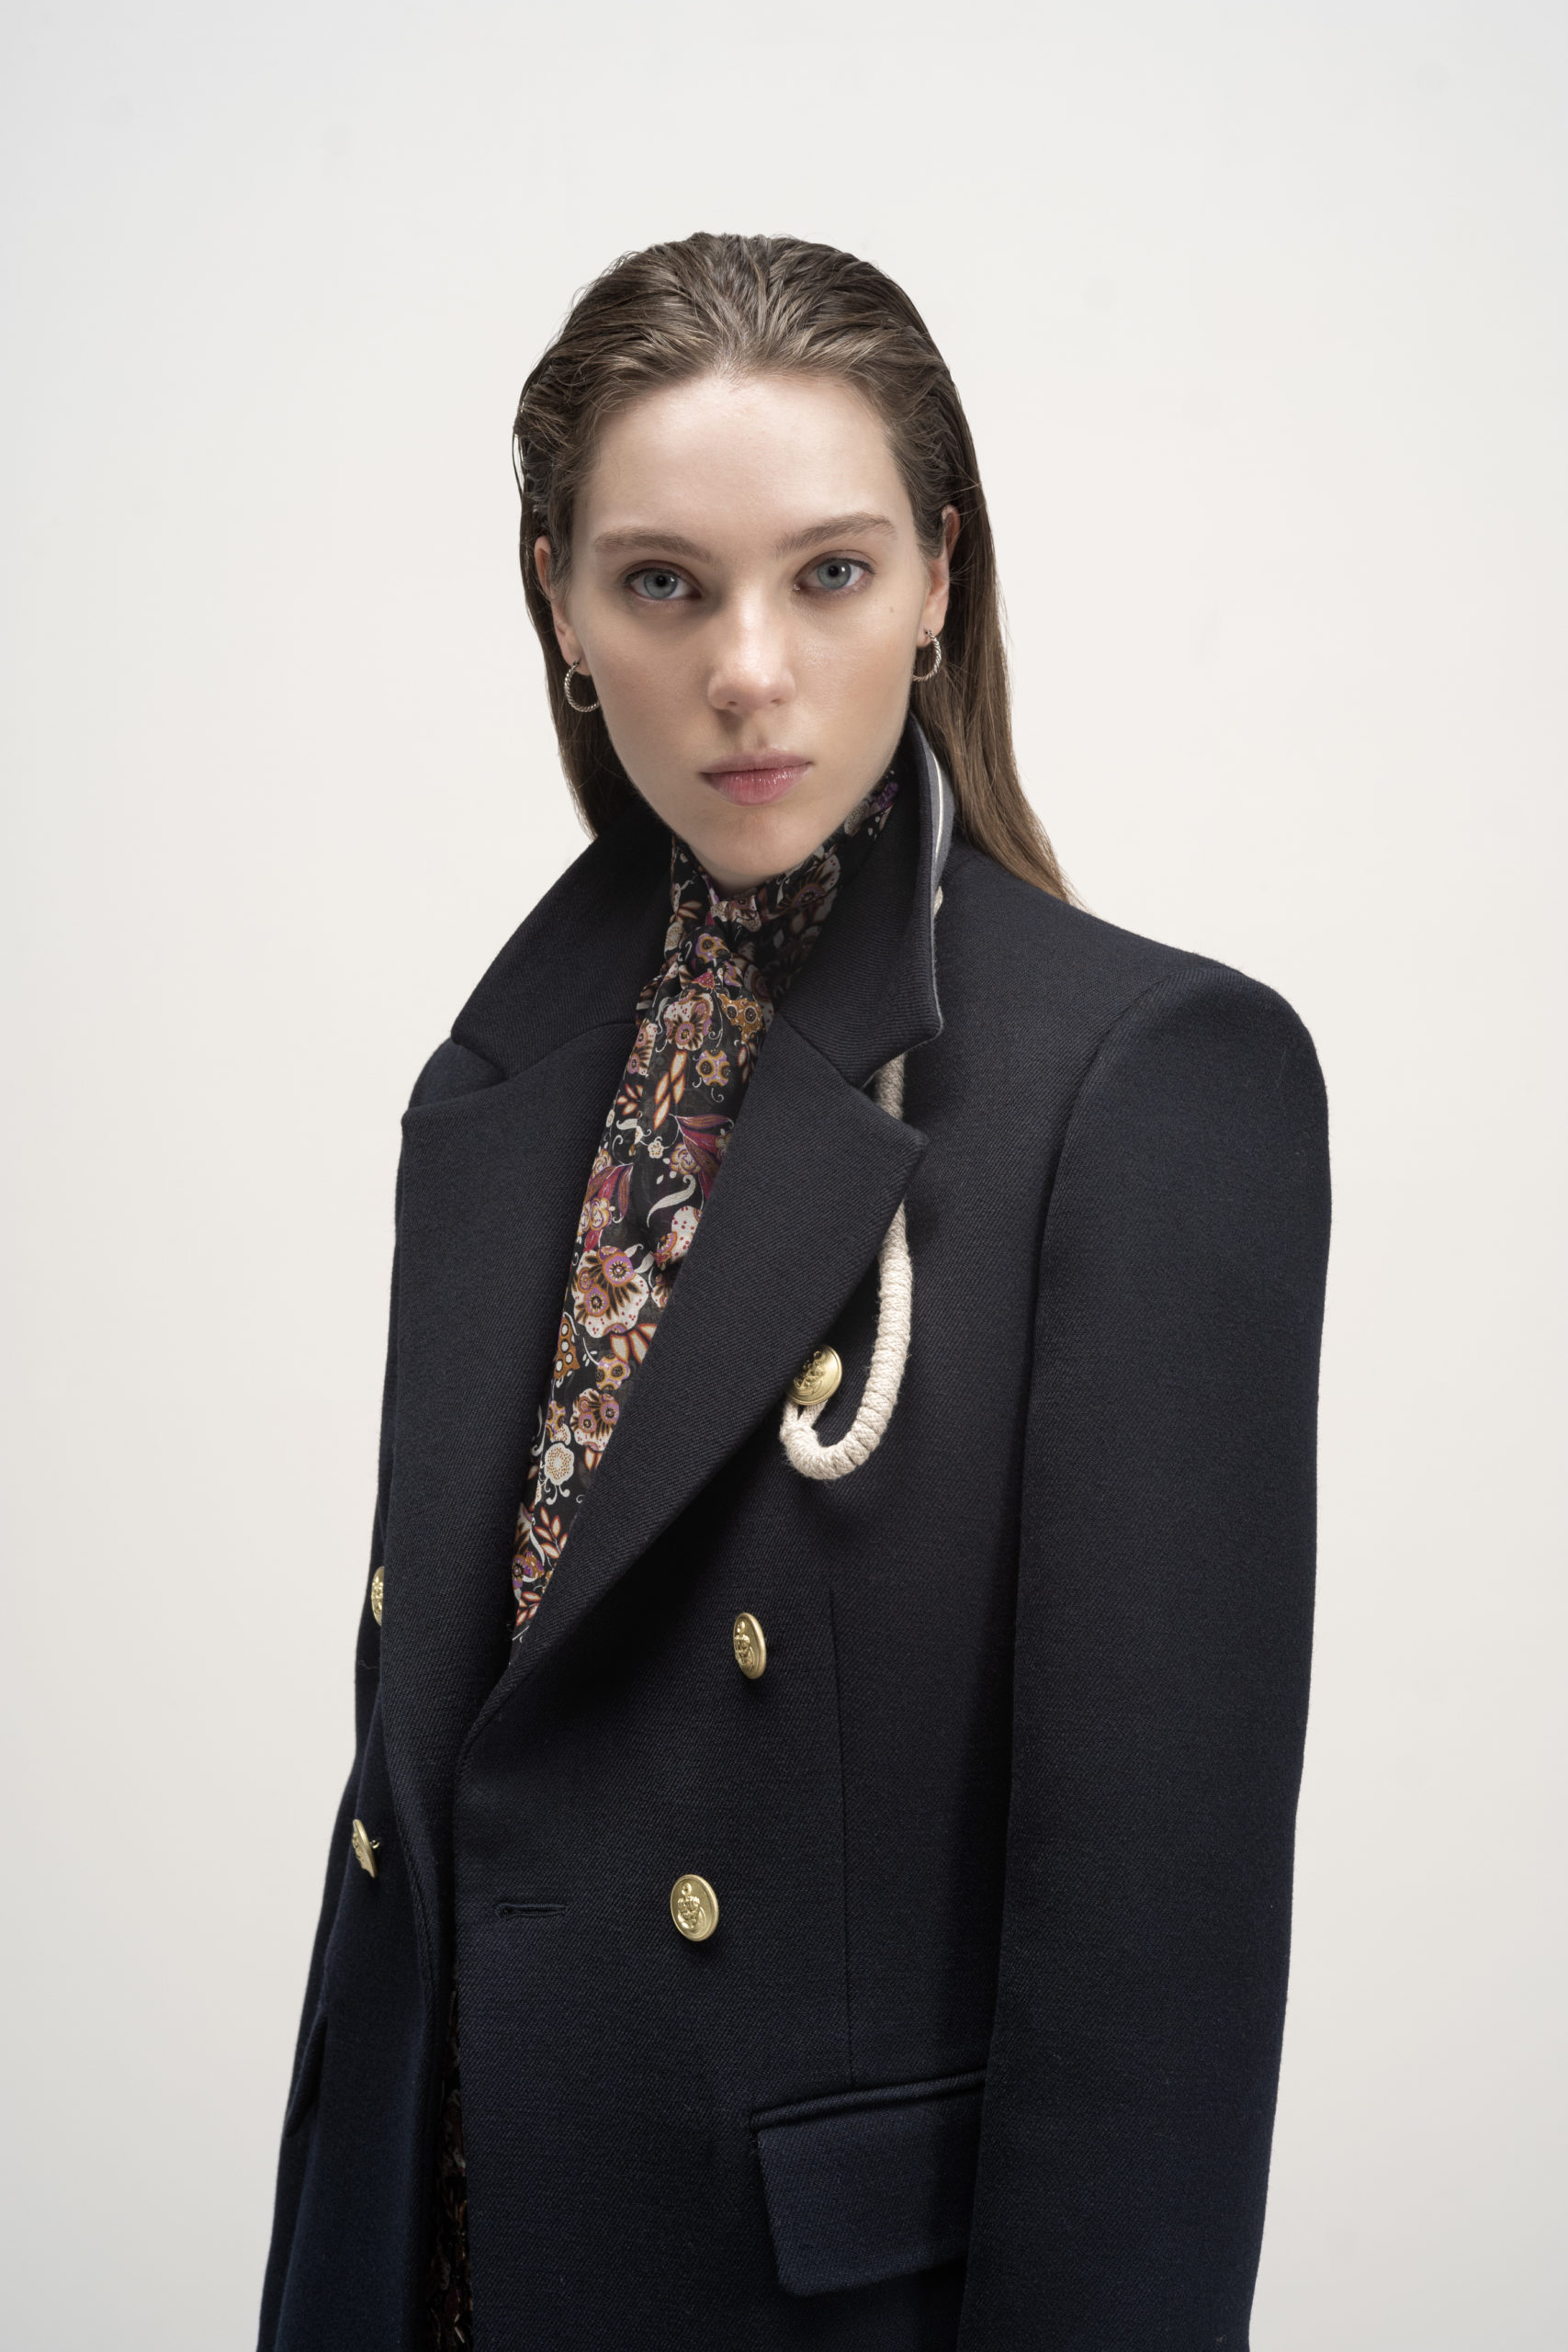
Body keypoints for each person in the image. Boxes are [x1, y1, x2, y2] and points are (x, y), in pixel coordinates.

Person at [258, 232, 1330, 2352]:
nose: (747, 669)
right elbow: (418, 1833)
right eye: (663, 583)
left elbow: (1150, 1986)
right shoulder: (495, 1078)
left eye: (826, 573)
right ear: (560, 606)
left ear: (938, 576)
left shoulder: (1146, 1084)